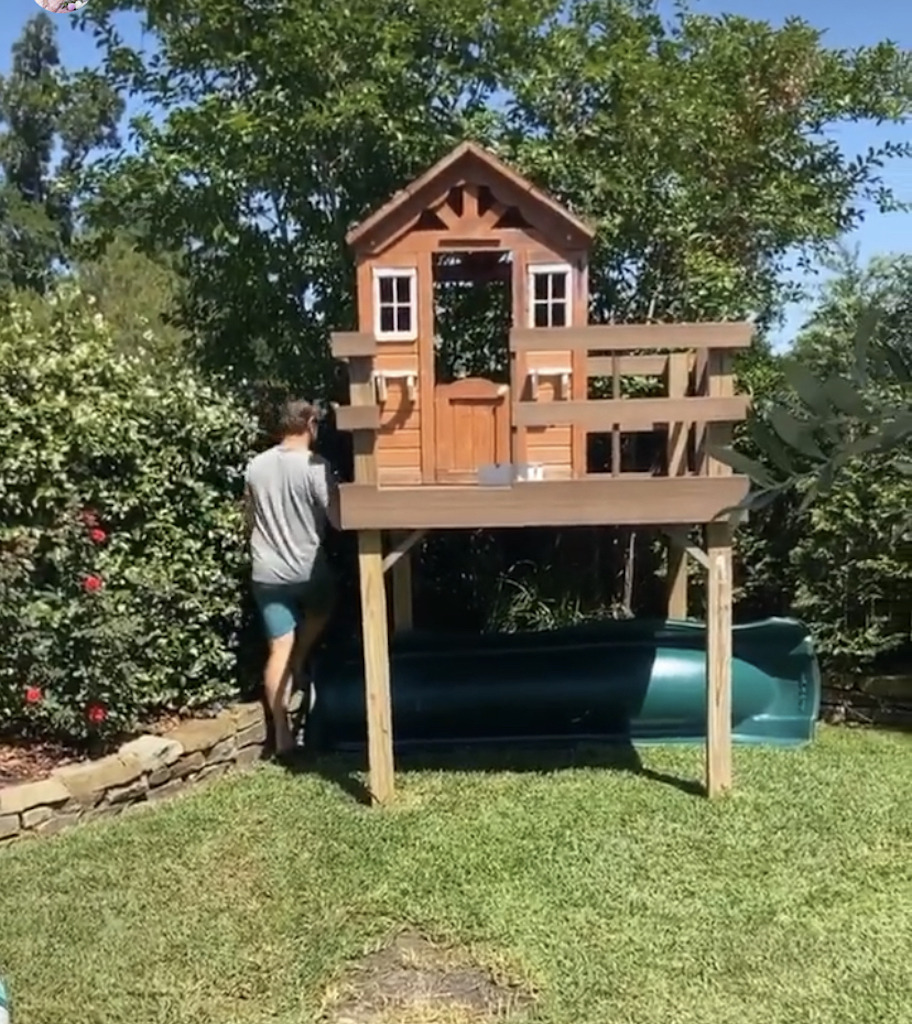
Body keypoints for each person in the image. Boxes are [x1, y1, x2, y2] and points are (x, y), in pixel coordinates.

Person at [244, 399, 341, 756]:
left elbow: (250, 516)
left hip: (266, 573)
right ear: (310, 423)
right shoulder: (316, 466)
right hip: (307, 569)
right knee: (323, 607)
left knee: (277, 649)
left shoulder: (255, 466)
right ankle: (302, 656)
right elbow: (337, 520)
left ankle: (282, 737)